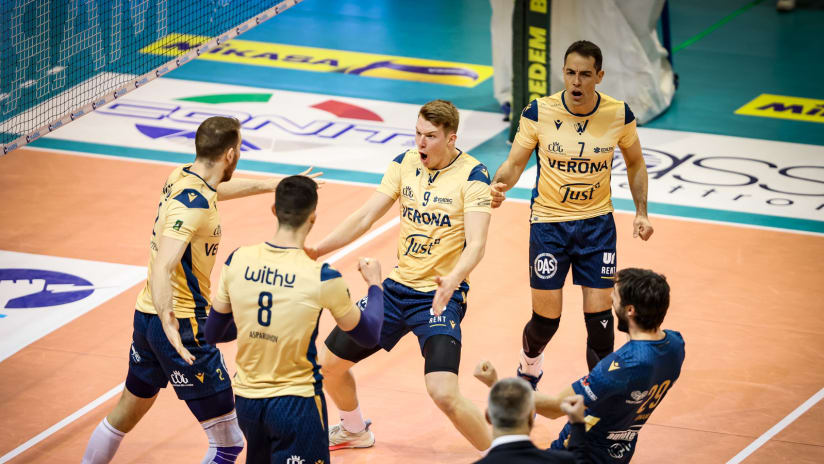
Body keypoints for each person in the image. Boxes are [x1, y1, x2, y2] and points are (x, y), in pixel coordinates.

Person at [81, 116, 320, 464]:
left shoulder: (182, 176)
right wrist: (169, 322)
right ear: (231, 154)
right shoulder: (192, 208)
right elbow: (164, 263)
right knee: (228, 443)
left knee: (125, 414)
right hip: (181, 324)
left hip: (145, 316)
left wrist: (272, 184)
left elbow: (213, 191)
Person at [305, 99, 494, 451]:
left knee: (443, 393)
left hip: (438, 298)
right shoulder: (404, 163)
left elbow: (477, 245)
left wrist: (453, 280)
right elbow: (366, 217)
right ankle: (354, 429)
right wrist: (318, 248)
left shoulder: (473, 176)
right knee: (327, 365)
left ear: (451, 138)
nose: (421, 143)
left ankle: (506, 455)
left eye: (431, 136)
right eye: (418, 133)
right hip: (394, 291)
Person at [489, 40, 654, 387]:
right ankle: (530, 365)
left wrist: (641, 212)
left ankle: (600, 398)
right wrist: (498, 185)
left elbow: (636, 163)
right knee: (546, 322)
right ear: (562, 73)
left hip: (597, 227)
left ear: (599, 76)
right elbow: (514, 163)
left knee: (599, 323)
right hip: (549, 225)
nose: (576, 82)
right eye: (570, 73)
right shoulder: (538, 113)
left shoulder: (618, 115)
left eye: (584, 75)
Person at [204, 175, 385, 464]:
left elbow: (213, 332)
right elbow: (368, 335)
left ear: (274, 210)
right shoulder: (321, 276)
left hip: (248, 401)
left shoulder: (237, 260)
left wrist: (254, 318)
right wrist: (375, 286)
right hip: (296, 404)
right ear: (313, 216)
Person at [475, 268, 685, 463]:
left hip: (581, 453)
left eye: (616, 295)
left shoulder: (621, 366)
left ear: (630, 310)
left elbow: (556, 407)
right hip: (621, 451)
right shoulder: (676, 345)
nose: (611, 298)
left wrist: (496, 384)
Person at [473, 377, 591, 464]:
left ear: (488, 417)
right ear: (531, 415)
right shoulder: (560, 461)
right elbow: (577, 459)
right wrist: (577, 425)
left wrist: (494, 384)